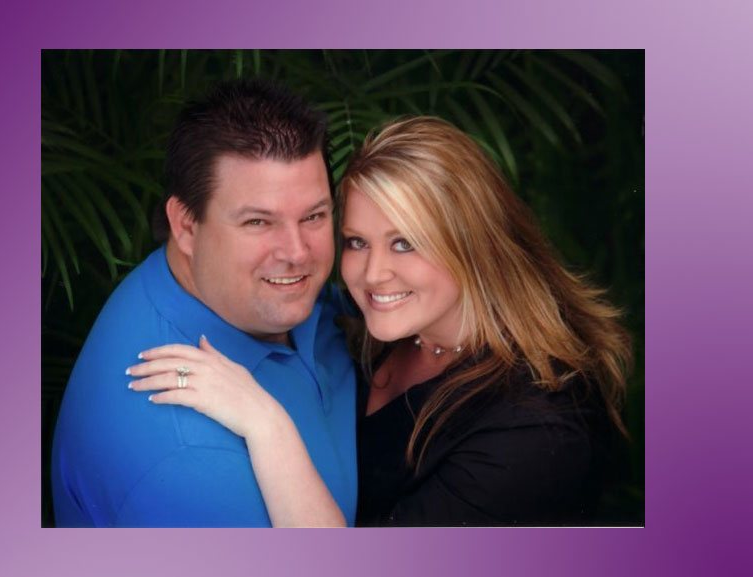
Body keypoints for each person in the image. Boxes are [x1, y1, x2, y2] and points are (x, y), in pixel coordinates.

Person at [128, 116, 632, 526]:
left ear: (474, 243)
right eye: (356, 242)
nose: (371, 275)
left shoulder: (535, 431)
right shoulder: (378, 326)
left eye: (404, 243)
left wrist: (266, 425)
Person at [51, 79, 357, 527]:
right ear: (186, 226)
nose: (297, 252)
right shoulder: (188, 463)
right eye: (258, 222)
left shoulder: (259, 294)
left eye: (313, 216)